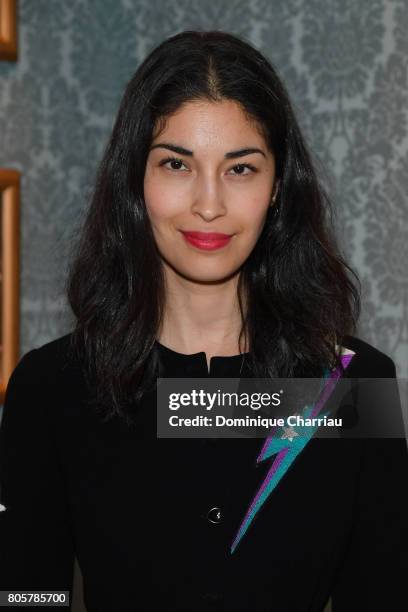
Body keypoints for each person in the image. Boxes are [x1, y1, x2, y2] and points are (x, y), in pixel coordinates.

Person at [0, 29, 407, 612]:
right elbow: (26, 597)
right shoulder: (50, 389)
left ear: (276, 188)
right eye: (176, 164)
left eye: (240, 169)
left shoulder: (355, 386)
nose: (208, 203)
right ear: (136, 181)